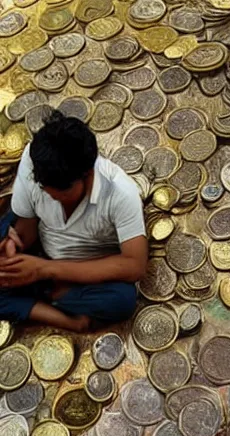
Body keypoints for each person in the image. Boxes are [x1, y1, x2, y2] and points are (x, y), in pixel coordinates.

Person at [0, 111, 147, 332]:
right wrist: (14, 244)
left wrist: (45, 270)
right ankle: (60, 307)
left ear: (87, 175)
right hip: (42, 249)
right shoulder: (34, 161)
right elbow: (27, 227)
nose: (52, 196)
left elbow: (134, 266)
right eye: (45, 189)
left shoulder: (120, 192)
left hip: (86, 267)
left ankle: (49, 296)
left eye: (62, 191)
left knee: (122, 300)